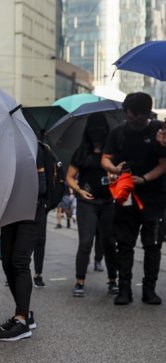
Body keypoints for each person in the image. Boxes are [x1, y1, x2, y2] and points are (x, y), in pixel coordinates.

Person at [102, 92, 166, 305]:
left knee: (153, 245)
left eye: (135, 115)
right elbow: (106, 158)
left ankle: (149, 290)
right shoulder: (118, 132)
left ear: (145, 113)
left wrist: (144, 179)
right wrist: (114, 168)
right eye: (128, 114)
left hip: (154, 198)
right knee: (125, 244)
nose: (131, 118)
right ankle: (124, 290)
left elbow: (163, 164)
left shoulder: (159, 130)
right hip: (126, 196)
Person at [0, 146, 44, 342]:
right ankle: (23, 313)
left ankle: (22, 322)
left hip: (31, 211)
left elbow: (42, 186)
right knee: (7, 263)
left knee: (19, 262)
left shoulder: (34, 147)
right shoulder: (4, 149)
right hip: (10, 211)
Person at [66, 113, 118, 297]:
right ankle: (79, 281)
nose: (97, 134)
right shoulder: (82, 151)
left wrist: (115, 176)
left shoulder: (112, 152)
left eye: (101, 130)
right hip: (86, 202)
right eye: (94, 130)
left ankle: (113, 280)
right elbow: (69, 177)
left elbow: (121, 173)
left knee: (109, 243)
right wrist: (79, 191)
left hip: (108, 202)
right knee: (86, 242)